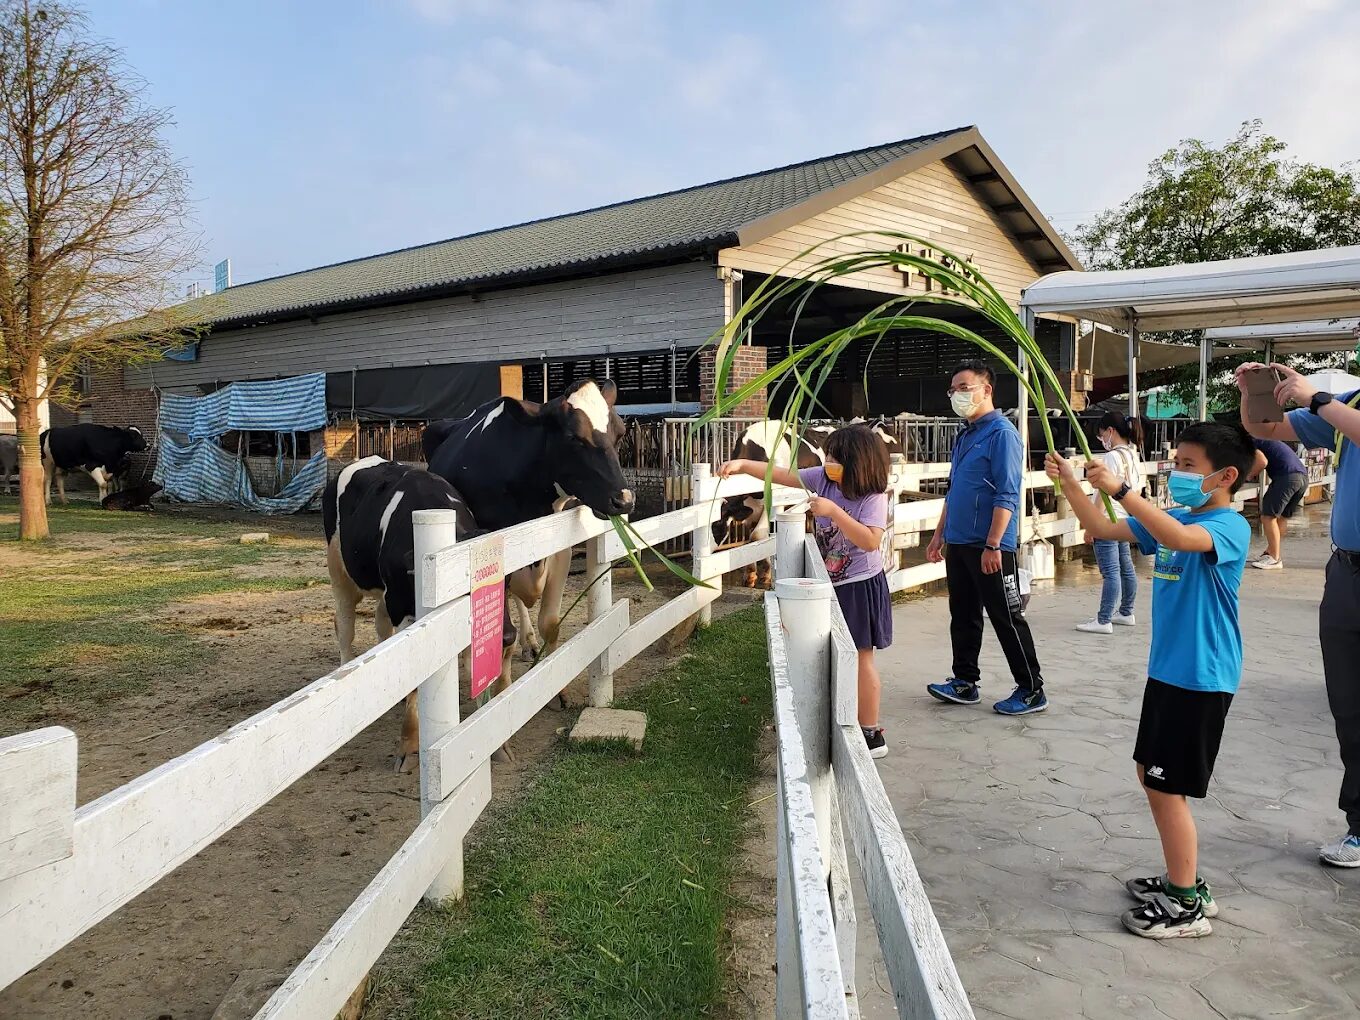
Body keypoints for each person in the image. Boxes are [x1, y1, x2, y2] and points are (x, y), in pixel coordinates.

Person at [1047, 422, 1255, 938]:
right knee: (1150, 773)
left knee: (1167, 787)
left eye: (1189, 466)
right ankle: (1181, 879)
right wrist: (1074, 482)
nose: (1177, 473)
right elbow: (1102, 527)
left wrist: (1121, 489)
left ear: (1225, 476)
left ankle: (1185, 902)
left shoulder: (1229, 527)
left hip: (1201, 678)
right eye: (1176, 463)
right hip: (1169, 673)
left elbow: (1180, 538)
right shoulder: (1176, 515)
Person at [1236, 359, 1360, 867]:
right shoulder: (1348, 404)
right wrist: (1255, 392)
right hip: (1347, 572)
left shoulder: (1335, 406)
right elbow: (1264, 428)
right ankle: (1359, 826)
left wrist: (1315, 398)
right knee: (1349, 705)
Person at [721, 425, 893, 758]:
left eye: (835, 458)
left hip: (859, 584)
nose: (828, 462)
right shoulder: (824, 479)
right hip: (833, 583)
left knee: (860, 656)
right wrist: (742, 466)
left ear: (858, 463)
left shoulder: (872, 497)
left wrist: (834, 512)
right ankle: (840, 715)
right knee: (833, 651)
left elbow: (871, 541)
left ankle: (871, 732)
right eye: (828, 456)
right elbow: (783, 474)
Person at [925, 360, 1047, 716]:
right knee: (962, 614)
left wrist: (994, 543)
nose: (957, 396)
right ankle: (964, 681)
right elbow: (954, 491)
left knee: (1006, 616)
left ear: (986, 390)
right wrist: (939, 536)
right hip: (960, 541)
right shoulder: (966, 435)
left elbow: (1007, 493)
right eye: (953, 390)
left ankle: (1031, 688)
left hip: (991, 545)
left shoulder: (1003, 434)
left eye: (964, 388)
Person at [1076, 411, 1146, 635]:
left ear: (1110, 432)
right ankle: (1126, 612)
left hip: (1108, 519)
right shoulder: (1133, 454)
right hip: (1126, 519)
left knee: (1111, 571)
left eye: (1101, 434)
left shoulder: (1112, 458)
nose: (1101, 439)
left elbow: (1102, 493)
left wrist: (1091, 523)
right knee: (1126, 568)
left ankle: (1103, 619)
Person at [1245, 436, 1308, 570]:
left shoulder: (1250, 441)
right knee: (1281, 517)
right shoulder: (1266, 440)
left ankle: (1274, 557)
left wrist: (1248, 475)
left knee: (1268, 516)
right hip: (1302, 477)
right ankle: (1271, 552)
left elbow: (1261, 461)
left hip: (1287, 477)